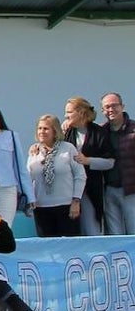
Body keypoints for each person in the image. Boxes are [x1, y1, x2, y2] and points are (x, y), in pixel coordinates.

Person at [62, 96, 116, 236]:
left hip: (90, 188)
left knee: (90, 225)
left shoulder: (99, 133)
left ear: (80, 112)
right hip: (67, 187)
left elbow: (110, 162)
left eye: (69, 112)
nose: (65, 116)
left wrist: (88, 161)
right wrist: (36, 148)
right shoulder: (65, 132)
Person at [27, 114, 86, 237]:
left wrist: (76, 201)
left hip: (66, 207)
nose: (42, 132)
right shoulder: (35, 152)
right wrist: (29, 199)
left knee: (71, 245)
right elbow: (28, 178)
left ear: (55, 131)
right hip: (42, 207)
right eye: (40, 128)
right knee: (48, 248)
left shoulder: (68, 148)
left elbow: (80, 176)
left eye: (46, 128)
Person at [100, 93, 135, 234]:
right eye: (107, 107)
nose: (111, 109)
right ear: (102, 111)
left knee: (133, 232)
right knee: (115, 235)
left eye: (114, 105)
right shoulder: (101, 132)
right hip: (109, 190)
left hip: (131, 190)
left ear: (122, 107)